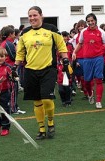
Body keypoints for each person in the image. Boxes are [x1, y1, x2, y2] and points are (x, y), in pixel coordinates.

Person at [15, 6, 68, 140]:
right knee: (37, 101)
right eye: (30, 16)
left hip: (48, 69)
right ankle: (41, 128)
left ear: (41, 16)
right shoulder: (25, 33)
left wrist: (65, 59)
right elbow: (20, 52)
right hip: (30, 71)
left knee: (47, 99)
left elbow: (61, 46)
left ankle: (50, 122)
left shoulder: (52, 29)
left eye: (35, 15)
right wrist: (14, 67)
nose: (32, 18)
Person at [72, 13, 105, 109]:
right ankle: (90, 93)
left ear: (95, 20)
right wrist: (74, 52)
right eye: (88, 21)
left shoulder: (101, 32)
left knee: (99, 79)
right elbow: (80, 43)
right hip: (87, 59)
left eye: (92, 20)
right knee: (87, 81)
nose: (90, 23)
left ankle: (99, 101)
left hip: (98, 58)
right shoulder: (83, 32)